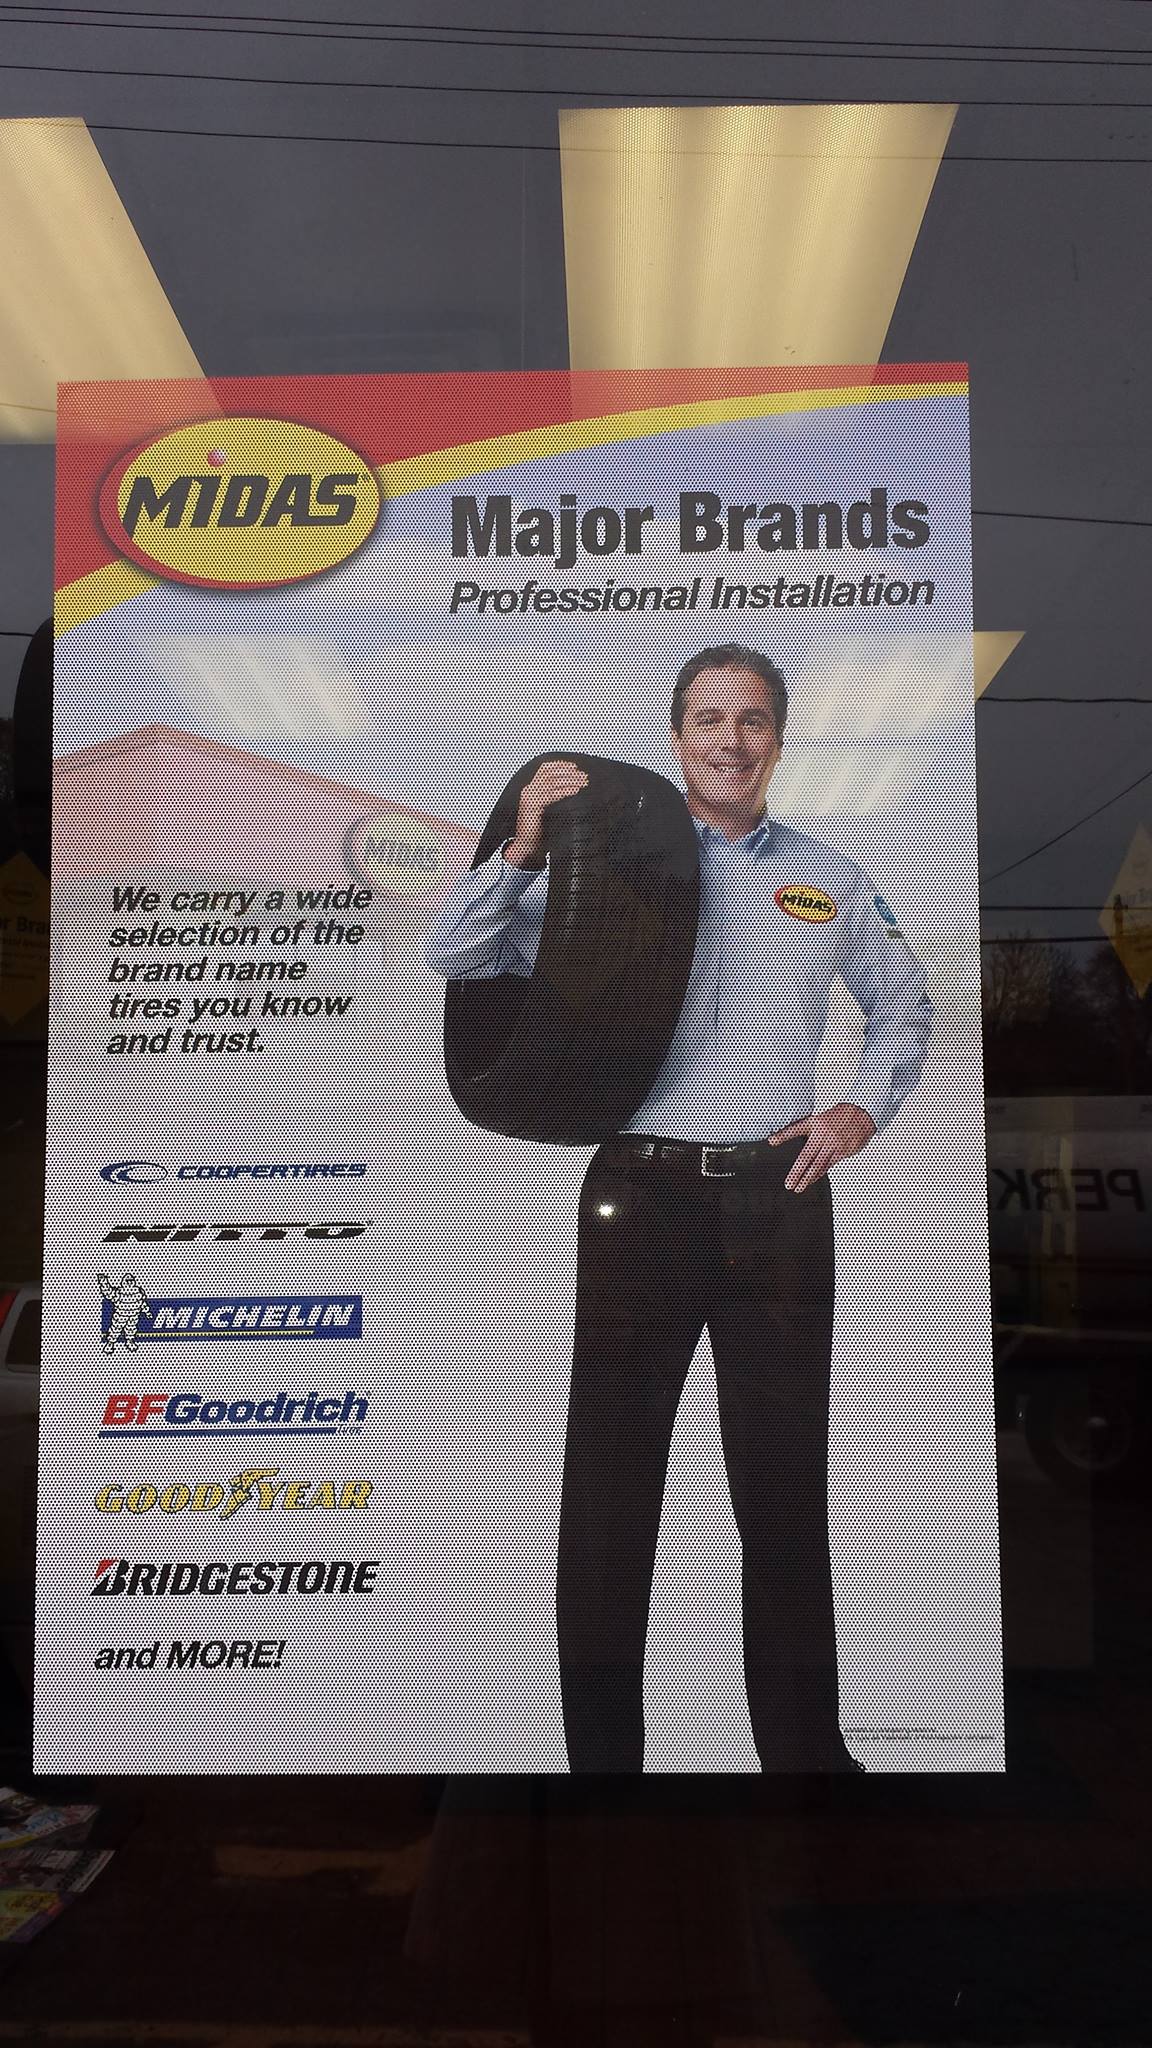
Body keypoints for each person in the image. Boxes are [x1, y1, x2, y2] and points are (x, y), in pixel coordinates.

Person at [427, 645, 933, 1773]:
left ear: (778, 739)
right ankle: (604, 1766)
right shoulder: (599, 870)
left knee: (785, 1487)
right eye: (709, 718)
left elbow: (904, 1007)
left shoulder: (832, 879)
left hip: (778, 1197)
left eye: (752, 719)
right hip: (639, 1197)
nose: (730, 740)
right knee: (611, 1488)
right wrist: (521, 845)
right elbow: (451, 951)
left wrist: (862, 1106)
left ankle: (807, 1760)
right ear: (676, 738)